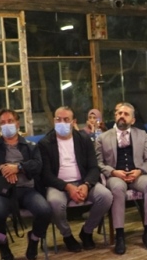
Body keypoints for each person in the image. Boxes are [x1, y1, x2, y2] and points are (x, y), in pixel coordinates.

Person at [0, 109, 52, 260]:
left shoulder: (31, 146)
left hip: (27, 190)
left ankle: (34, 239)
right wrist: (1, 167)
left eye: (10, 121)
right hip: (2, 192)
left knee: (45, 211)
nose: (7, 125)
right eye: (3, 122)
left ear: (18, 124)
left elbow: (38, 165)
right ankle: (3, 245)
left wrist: (18, 168)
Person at [38, 106, 112, 252]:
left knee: (106, 196)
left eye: (66, 120)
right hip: (58, 185)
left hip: (83, 181)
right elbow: (46, 175)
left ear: (73, 122)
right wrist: (68, 187)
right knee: (54, 202)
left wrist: (86, 185)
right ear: (54, 121)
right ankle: (67, 235)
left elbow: (93, 167)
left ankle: (87, 231)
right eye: (58, 119)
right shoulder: (45, 143)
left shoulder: (84, 139)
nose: (62, 123)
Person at [95, 102, 147, 255]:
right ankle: (120, 235)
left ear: (133, 119)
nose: (121, 116)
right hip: (115, 176)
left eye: (126, 114)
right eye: (119, 113)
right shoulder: (103, 137)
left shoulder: (141, 134)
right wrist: (113, 172)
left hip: (137, 174)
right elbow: (98, 163)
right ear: (115, 116)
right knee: (118, 188)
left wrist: (139, 171)